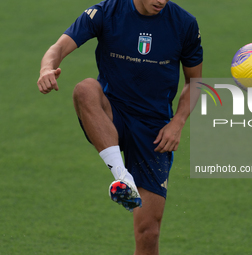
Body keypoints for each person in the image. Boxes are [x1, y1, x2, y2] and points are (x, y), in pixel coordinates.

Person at [37, 0, 202, 254]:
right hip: (112, 115)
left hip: (154, 129)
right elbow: (59, 46)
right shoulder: (106, 11)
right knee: (85, 89)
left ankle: (128, 185)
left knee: (149, 232)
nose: (161, 1)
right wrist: (47, 67)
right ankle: (122, 178)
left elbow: (195, 82)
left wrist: (177, 123)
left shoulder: (185, 24)